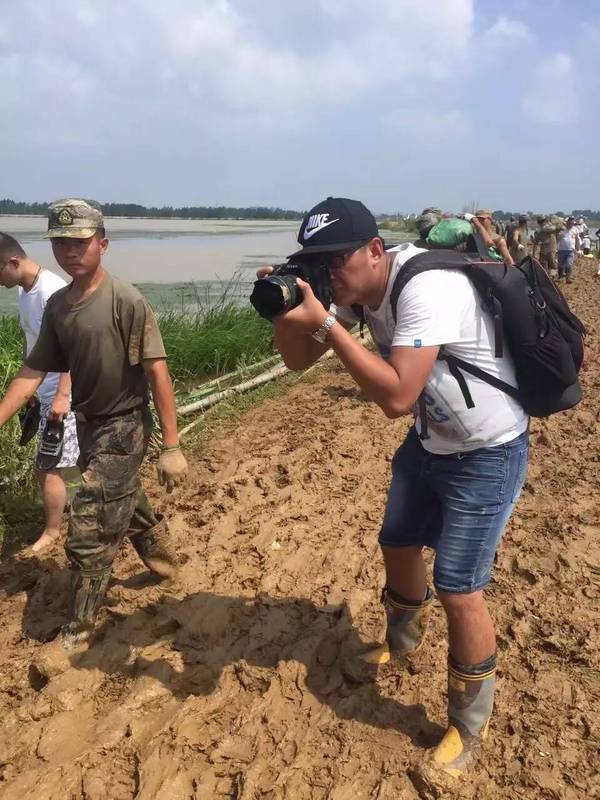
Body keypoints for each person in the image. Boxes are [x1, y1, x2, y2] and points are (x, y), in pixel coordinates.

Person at [257, 197, 529, 777]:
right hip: (431, 442)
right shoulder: (360, 289)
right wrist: (285, 312)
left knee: (460, 588)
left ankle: (467, 724)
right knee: (397, 542)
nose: (328, 275)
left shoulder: (424, 289)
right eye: (316, 264)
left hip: (487, 449)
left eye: (335, 262)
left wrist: (328, 323)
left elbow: (396, 397)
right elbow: (298, 362)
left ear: (376, 250)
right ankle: (402, 644)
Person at [0, 199, 188, 647]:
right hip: (85, 426)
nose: (70, 251)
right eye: (61, 243)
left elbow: (158, 372)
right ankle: (165, 564)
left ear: (102, 244)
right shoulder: (60, 307)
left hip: (124, 425)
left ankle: (80, 627)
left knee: (88, 526)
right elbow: (32, 372)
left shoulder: (126, 300)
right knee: (119, 497)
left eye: (80, 242)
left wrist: (172, 446)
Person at [0, 234, 80, 552]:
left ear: (14, 262)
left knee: (48, 467)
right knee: (60, 462)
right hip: (42, 390)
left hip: (63, 395)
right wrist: (30, 388)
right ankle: (78, 509)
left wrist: (62, 396)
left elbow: (75, 348)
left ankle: (52, 532)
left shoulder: (53, 291)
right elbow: (31, 339)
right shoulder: (24, 291)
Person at [557, 217, 580, 283]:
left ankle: (568, 278)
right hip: (561, 250)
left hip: (571, 250)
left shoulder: (575, 230)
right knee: (560, 265)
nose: (571, 224)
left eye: (572, 223)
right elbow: (557, 239)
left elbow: (577, 239)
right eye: (569, 223)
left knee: (569, 264)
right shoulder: (562, 230)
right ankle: (560, 277)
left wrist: (578, 248)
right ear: (567, 223)